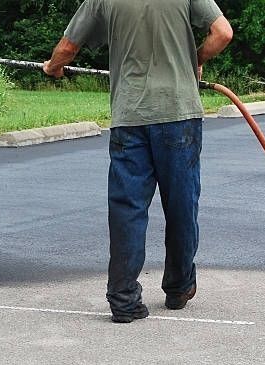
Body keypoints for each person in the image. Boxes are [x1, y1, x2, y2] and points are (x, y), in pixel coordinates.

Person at [43, 0, 233, 323]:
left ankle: (123, 298)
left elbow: (67, 47)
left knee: (127, 208)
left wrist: (53, 67)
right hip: (179, 115)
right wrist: (195, 60)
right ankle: (178, 287)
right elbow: (222, 33)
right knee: (181, 204)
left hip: (129, 117)